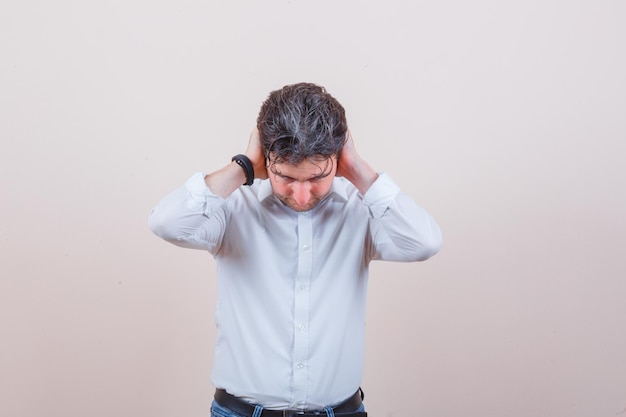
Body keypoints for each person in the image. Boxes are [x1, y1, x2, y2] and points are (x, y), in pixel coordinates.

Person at [149, 82, 442, 417]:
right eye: (286, 176)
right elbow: (166, 223)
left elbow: (425, 242)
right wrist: (242, 166)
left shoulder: (361, 209)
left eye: (316, 177)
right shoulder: (232, 207)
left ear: (337, 157)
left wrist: (359, 170)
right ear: (266, 157)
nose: (302, 195)